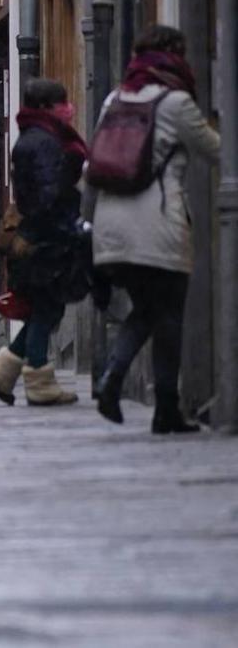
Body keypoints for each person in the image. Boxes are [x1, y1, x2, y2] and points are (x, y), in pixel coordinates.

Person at [88, 25, 221, 433]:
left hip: (112, 226)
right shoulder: (175, 102)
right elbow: (215, 150)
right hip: (157, 224)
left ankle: (115, 376)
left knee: (147, 309)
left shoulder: (115, 99)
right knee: (169, 314)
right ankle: (165, 408)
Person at [0, 78, 86, 407]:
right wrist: (62, 225)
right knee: (45, 306)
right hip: (45, 236)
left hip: (40, 232)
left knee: (44, 306)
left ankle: (3, 373)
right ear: (46, 108)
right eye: (62, 104)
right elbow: (48, 191)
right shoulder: (43, 141)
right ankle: (39, 381)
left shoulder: (35, 137)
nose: (68, 109)